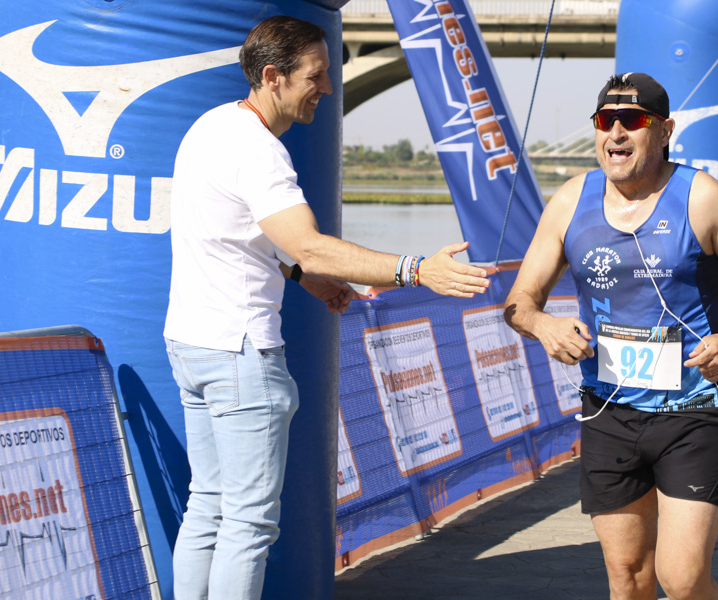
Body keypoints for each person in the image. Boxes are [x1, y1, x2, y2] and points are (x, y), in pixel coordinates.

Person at [163, 16, 490, 600]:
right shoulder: (260, 151)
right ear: (273, 77)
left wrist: (298, 276)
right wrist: (419, 270)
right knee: (248, 523)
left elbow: (231, 234)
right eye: (316, 76)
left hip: (192, 346)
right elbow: (311, 242)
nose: (328, 88)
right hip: (241, 355)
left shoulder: (209, 128)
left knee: (208, 508)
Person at [504, 73, 718, 600]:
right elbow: (519, 301)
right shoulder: (571, 201)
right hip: (608, 413)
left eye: (633, 121)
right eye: (604, 122)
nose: (616, 132)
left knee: (681, 579)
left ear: (664, 132)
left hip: (693, 410)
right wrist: (542, 324)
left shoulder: (702, 198)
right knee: (629, 577)